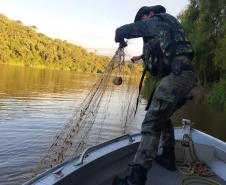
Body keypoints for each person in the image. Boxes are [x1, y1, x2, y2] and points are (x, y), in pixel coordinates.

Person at [112, 5, 196, 185]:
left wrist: (119, 32)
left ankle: (136, 176)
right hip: (184, 76)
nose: (145, 23)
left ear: (149, 14)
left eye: (143, 19)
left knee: (151, 121)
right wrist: (140, 57)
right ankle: (168, 156)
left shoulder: (158, 19)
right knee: (161, 116)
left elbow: (136, 29)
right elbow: (165, 46)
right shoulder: (168, 26)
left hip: (177, 77)